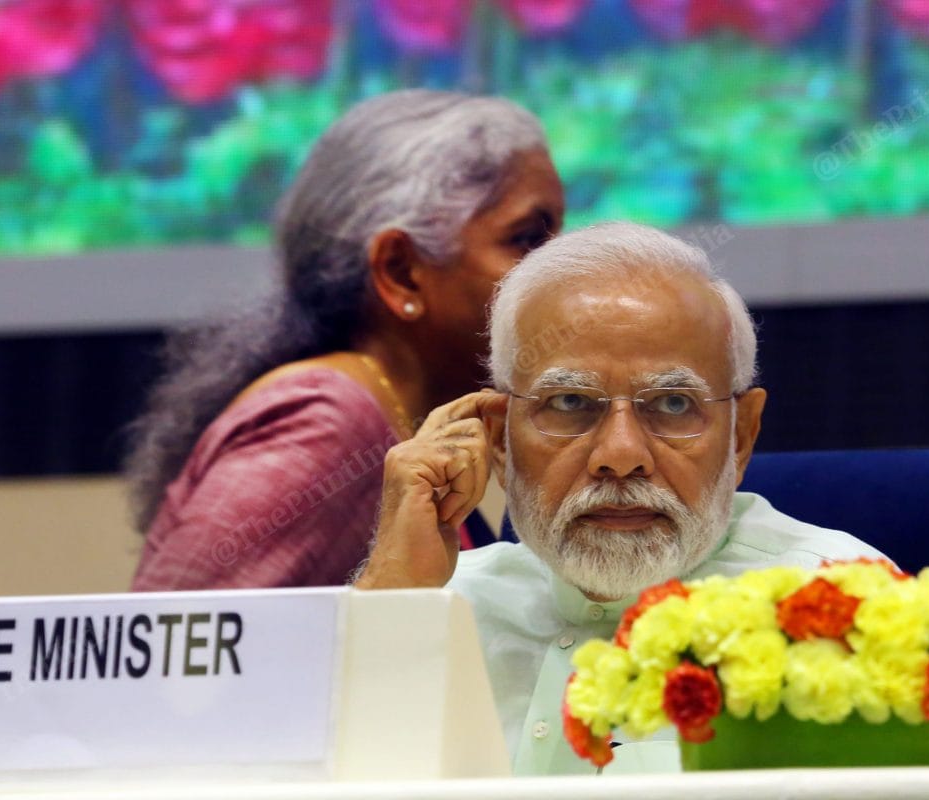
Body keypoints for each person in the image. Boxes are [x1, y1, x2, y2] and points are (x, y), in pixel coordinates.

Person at [355, 221, 887, 775]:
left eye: (674, 405)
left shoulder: (841, 608)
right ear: (499, 439)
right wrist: (393, 595)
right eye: (569, 402)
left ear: (741, 437)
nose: (621, 454)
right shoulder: (432, 604)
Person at [127, 90, 565, 590]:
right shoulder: (327, 422)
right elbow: (173, 649)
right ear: (401, 272)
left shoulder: (395, 415)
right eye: (527, 240)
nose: (560, 272)